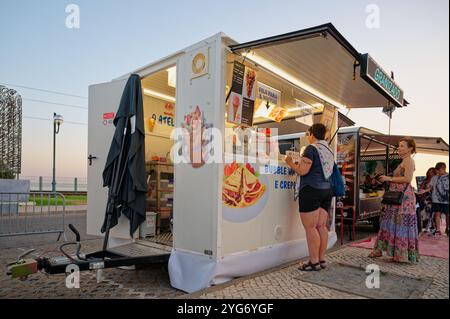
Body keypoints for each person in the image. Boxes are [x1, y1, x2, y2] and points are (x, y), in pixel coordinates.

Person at [285, 123, 334, 271]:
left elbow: (303, 170)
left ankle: (313, 262)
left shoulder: (311, 149)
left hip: (311, 190)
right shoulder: (328, 150)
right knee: (321, 226)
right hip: (327, 191)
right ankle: (321, 259)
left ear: (312, 135)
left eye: (308, 134)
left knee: (310, 227)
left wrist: (289, 163)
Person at [369, 137, 419, 263]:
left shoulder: (409, 161)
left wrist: (389, 179)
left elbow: (407, 179)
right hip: (396, 198)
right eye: (399, 145)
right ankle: (384, 251)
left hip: (403, 199)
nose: (399, 148)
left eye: (402, 146)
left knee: (399, 223)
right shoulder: (403, 161)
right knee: (389, 222)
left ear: (410, 148)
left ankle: (399, 253)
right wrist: (386, 178)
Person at [430, 162, 449, 236]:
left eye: (438, 169)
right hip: (436, 199)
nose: (437, 171)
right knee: (437, 214)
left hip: (447, 200)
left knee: (448, 215)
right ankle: (438, 230)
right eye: (436, 170)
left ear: (443, 168)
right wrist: (424, 190)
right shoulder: (434, 177)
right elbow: (430, 187)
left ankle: (447, 229)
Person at [417, 167, 437, 233]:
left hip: (431, 198)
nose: (430, 173)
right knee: (423, 212)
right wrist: (420, 192)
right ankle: (425, 226)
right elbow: (420, 188)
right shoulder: (425, 180)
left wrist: (425, 191)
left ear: (434, 173)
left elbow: (433, 189)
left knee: (430, 212)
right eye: (429, 172)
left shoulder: (435, 180)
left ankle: (432, 227)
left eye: (432, 172)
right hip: (423, 198)